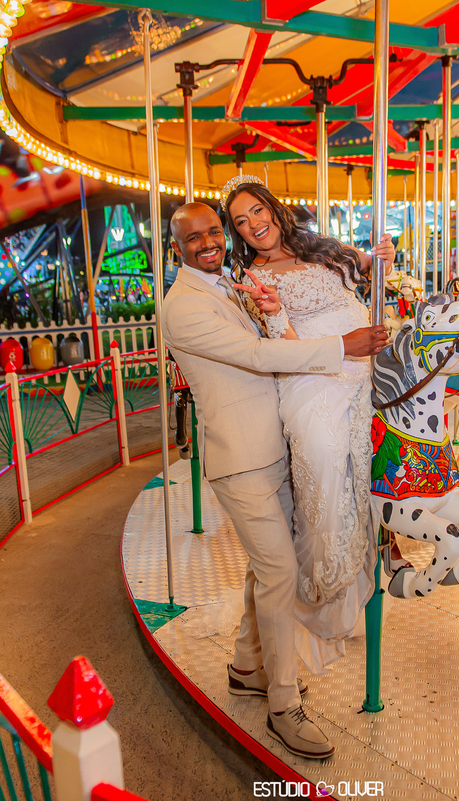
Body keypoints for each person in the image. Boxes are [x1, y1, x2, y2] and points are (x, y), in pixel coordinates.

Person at [163, 200, 388, 760]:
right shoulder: (183, 306)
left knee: (263, 568)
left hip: (278, 443)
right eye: (197, 238)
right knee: (281, 571)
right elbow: (260, 354)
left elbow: (278, 327)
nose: (210, 242)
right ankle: (283, 704)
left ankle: (246, 667)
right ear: (177, 249)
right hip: (242, 460)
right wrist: (344, 347)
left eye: (217, 230)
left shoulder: (229, 285)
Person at [222, 174, 395, 679]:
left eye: (256, 211)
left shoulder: (319, 249)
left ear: (273, 209)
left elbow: (364, 266)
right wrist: (275, 313)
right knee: (324, 463)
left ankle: (390, 543)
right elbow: (288, 345)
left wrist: (379, 255)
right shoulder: (254, 278)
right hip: (312, 376)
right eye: (241, 221)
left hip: (363, 364)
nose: (253, 224)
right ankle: (313, 590)